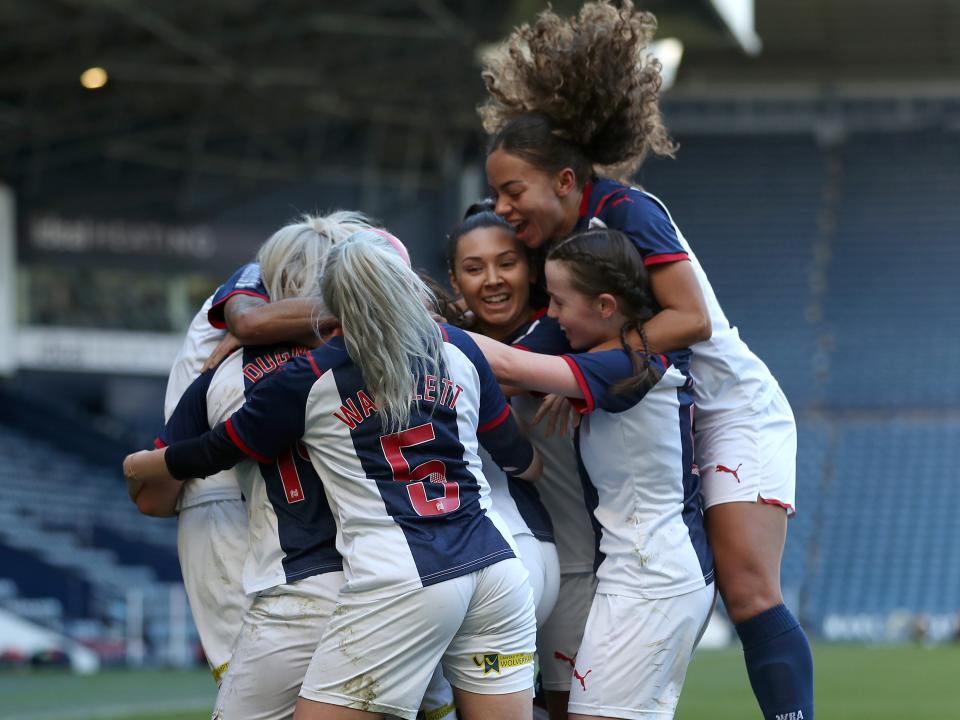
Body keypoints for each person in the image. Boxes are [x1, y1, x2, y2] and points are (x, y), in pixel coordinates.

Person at [478, 4, 814, 719]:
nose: (503, 207)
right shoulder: (553, 243)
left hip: (728, 403)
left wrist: (595, 372)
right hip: (663, 406)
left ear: (566, 181)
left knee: (748, 589)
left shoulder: (627, 209)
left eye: (514, 192)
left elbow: (687, 319)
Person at [125, 230, 540, 720]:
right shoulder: (459, 348)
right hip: (497, 568)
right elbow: (525, 460)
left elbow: (213, 453)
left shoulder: (298, 376)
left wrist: (138, 463)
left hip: (372, 580)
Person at [469, 227, 714, 720]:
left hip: (655, 575)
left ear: (606, 306)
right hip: (641, 570)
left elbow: (511, 368)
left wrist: (402, 320)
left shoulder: (627, 363)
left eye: (559, 302)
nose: (553, 315)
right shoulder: (623, 356)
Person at [150, 211, 378, 685]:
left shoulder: (299, 359)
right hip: (219, 491)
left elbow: (154, 495)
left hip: (262, 502)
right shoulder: (252, 284)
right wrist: (367, 307)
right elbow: (249, 321)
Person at [446, 204, 596, 718]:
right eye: (473, 268)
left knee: (566, 707)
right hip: (483, 560)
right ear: (454, 279)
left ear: (530, 268)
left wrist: (568, 374)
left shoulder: (563, 336)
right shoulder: (456, 345)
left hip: (576, 561)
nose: (492, 280)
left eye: (506, 262)